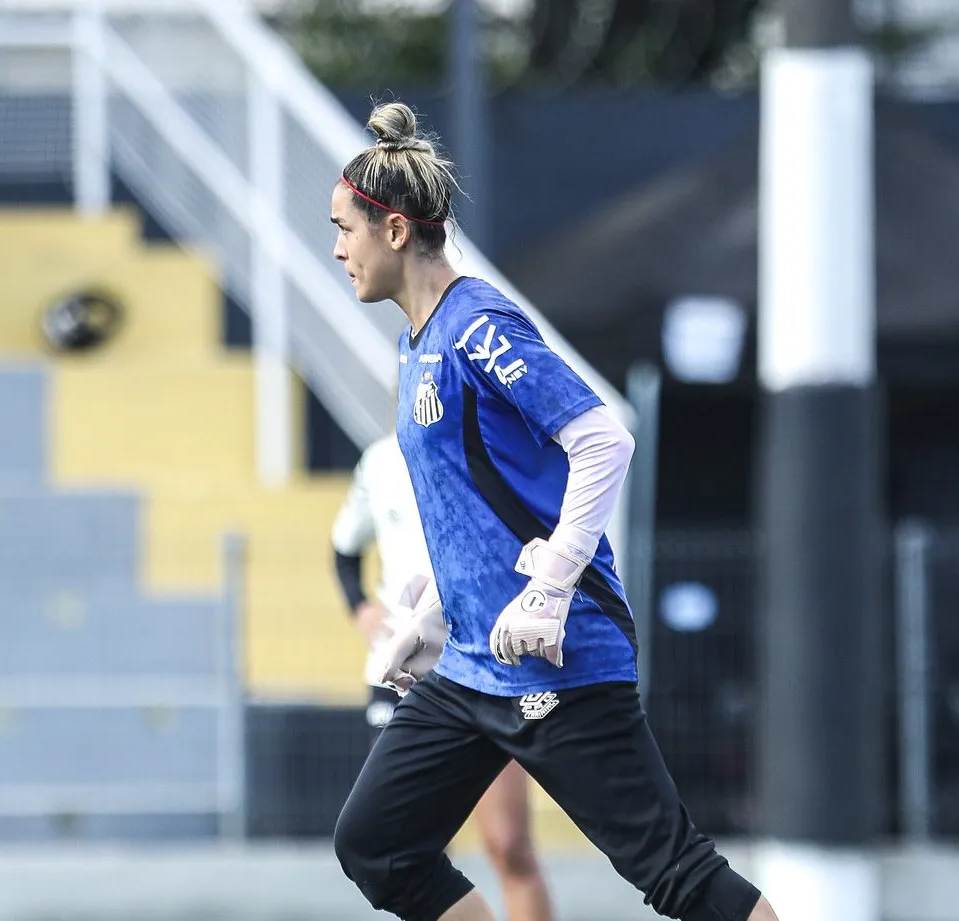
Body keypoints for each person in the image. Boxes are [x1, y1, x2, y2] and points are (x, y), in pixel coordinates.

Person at [327, 101, 782, 921]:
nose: (336, 249)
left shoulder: (477, 328)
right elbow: (475, 507)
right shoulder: (415, 343)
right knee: (376, 844)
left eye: (344, 229)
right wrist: (431, 613)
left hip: (556, 659)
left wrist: (550, 589)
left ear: (393, 230)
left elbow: (603, 440)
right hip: (470, 661)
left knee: (675, 876)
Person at [331, 433, 557, 921]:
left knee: (509, 845)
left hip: (482, 669)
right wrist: (362, 609)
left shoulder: (490, 449)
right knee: (407, 853)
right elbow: (343, 550)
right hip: (403, 678)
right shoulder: (380, 461)